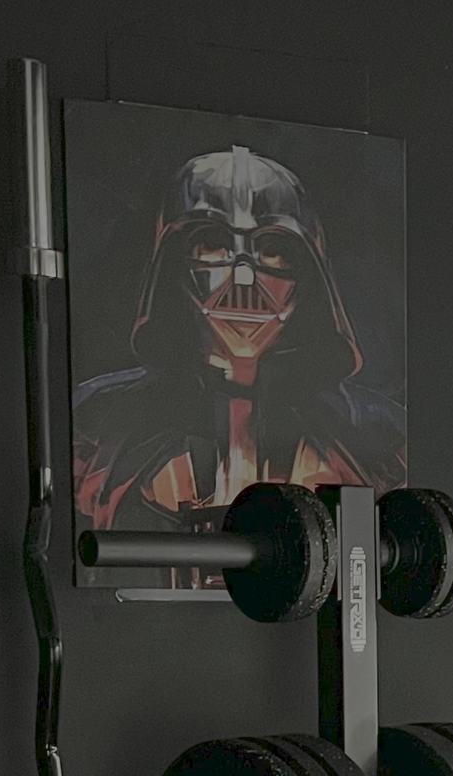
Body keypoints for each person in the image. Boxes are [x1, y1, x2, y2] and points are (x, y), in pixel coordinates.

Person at [73, 145, 405, 553]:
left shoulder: (381, 435)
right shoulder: (93, 423)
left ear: (308, 273)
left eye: (273, 248)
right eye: (213, 243)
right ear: (175, 263)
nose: (244, 277)